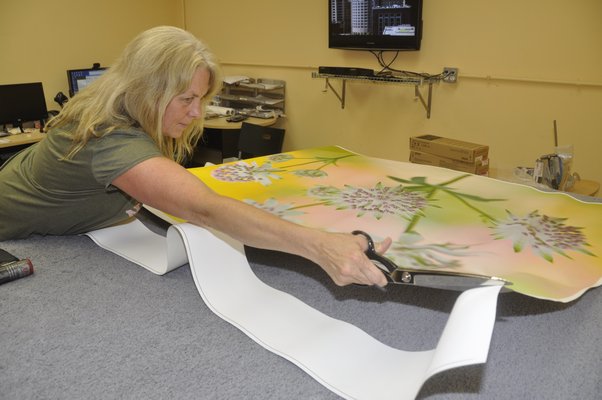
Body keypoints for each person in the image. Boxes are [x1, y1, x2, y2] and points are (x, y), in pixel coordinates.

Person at [0, 26, 389, 287]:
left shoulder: (114, 100)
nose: (196, 113)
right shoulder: (111, 138)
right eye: (186, 99)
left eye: (200, 99)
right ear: (144, 90)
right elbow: (204, 210)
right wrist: (321, 245)